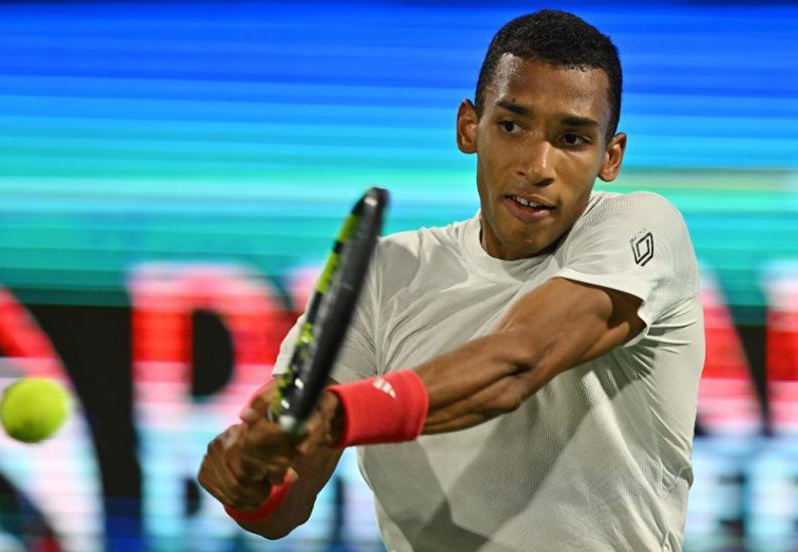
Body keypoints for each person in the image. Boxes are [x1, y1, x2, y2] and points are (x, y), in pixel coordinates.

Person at [198, 9, 704, 551]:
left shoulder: (643, 228)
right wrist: (252, 476)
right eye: (512, 125)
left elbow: (519, 359)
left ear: (611, 156)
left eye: (572, 139)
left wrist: (340, 415)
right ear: (469, 127)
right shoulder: (384, 275)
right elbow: (284, 507)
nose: (537, 165)